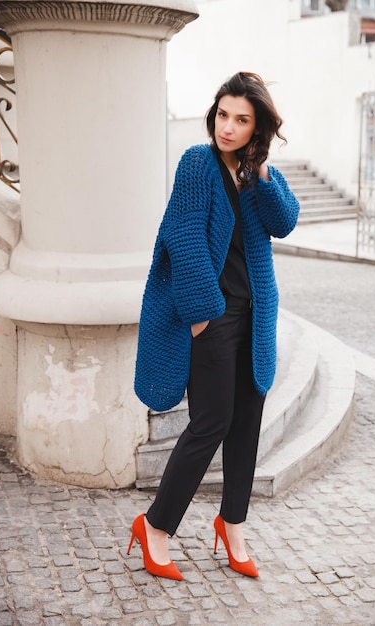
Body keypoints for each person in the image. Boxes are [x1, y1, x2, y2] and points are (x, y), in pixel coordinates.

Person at [129, 72, 300, 581]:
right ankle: (154, 527)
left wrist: (262, 170)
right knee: (211, 423)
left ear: (257, 128)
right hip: (214, 315)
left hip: (257, 313)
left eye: (242, 120)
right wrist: (202, 315)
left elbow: (285, 221)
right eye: (223, 115)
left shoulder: (255, 173)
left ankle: (233, 525)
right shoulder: (196, 164)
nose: (228, 127)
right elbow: (181, 237)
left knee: (247, 424)